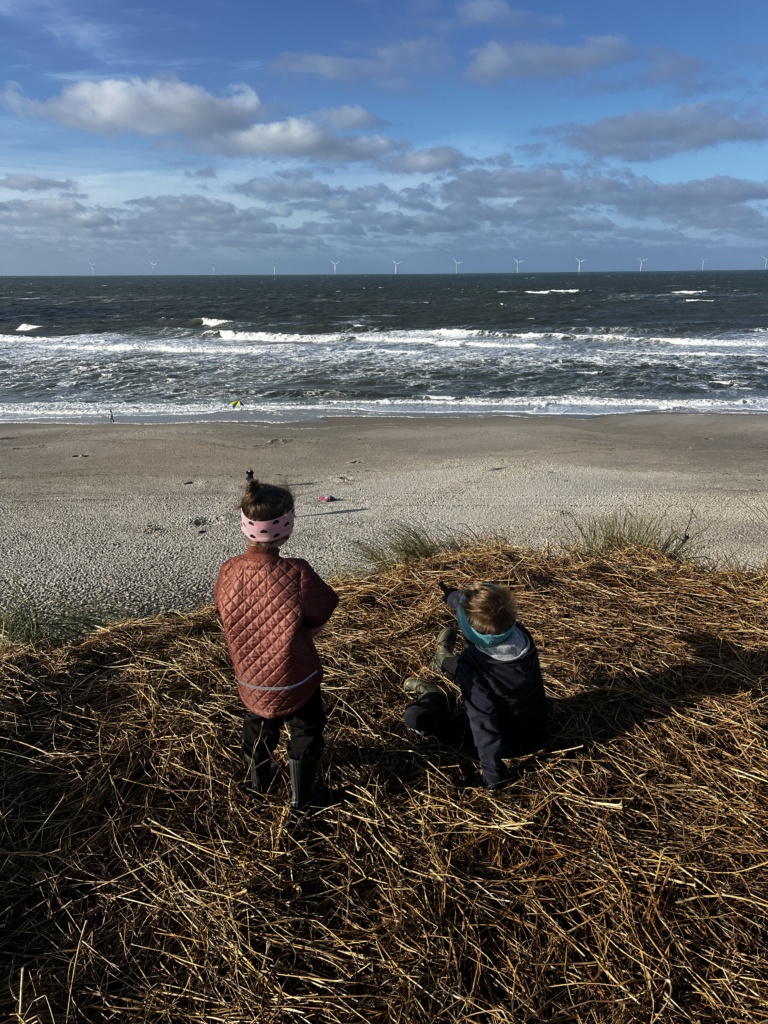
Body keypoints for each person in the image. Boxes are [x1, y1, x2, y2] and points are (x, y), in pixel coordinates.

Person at [214, 471, 339, 810]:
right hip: (295, 672)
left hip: (251, 673)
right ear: (286, 526)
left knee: (258, 725)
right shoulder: (297, 572)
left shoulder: (229, 570)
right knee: (307, 727)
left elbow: (221, 610)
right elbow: (324, 605)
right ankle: (303, 797)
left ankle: (258, 785)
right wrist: (305, 631)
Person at [403, 582, 549, 788]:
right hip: (536, 728)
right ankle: (442, 661)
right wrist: (452, 597)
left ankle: (433, 696)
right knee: (470, 669)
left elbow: (483, 726)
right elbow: (473, 608)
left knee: (414, 719)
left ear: (469, 631)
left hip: (509, 742)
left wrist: (493, 778)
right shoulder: (521, 635)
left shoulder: (474, 665)